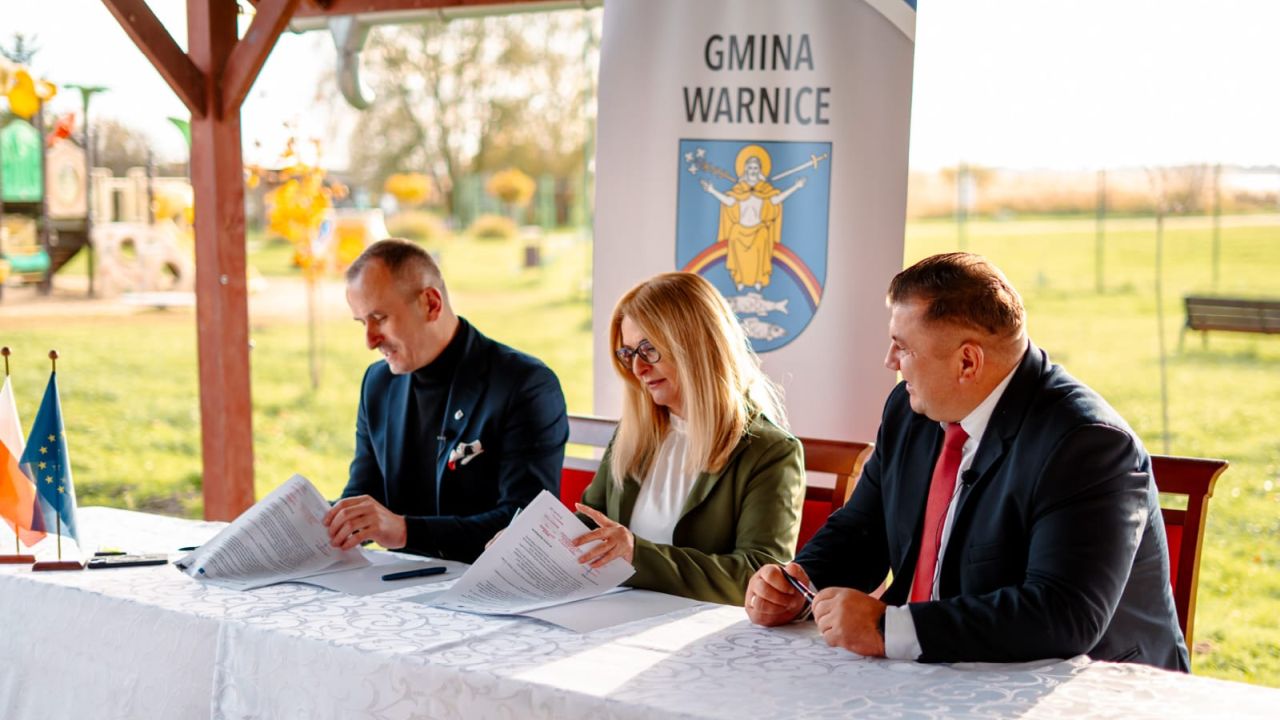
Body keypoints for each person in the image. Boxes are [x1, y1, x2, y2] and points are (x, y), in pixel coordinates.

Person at [744, 252, 1189, 670]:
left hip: (1085, 686)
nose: (889, 362)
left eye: (903, 348)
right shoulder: (910, 410)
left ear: (968, 362)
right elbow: (862, 530)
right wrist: (801, 583)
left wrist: (889, 629)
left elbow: (1062, 615)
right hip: (942, 669)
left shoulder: (1086, 444)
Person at [324, 238, 569, 563]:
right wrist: (313, 521)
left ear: (431, 303)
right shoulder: (377, 383)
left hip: (488, 583)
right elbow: (364, 494)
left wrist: (406, 532)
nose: (369, 340)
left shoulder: (525, 385)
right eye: (362, 322)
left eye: (380, 318)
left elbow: (524, 523)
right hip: (401, 581)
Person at [573, 271, 805, 605]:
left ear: (697, 345)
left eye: (649, 349)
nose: (637, 369)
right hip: (615, 615)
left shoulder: (771, 451)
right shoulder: (631, 436)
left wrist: (638, 555)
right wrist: (526, 543)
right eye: (628, 353)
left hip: (698, 629)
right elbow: (589, 526)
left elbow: (758, 575)